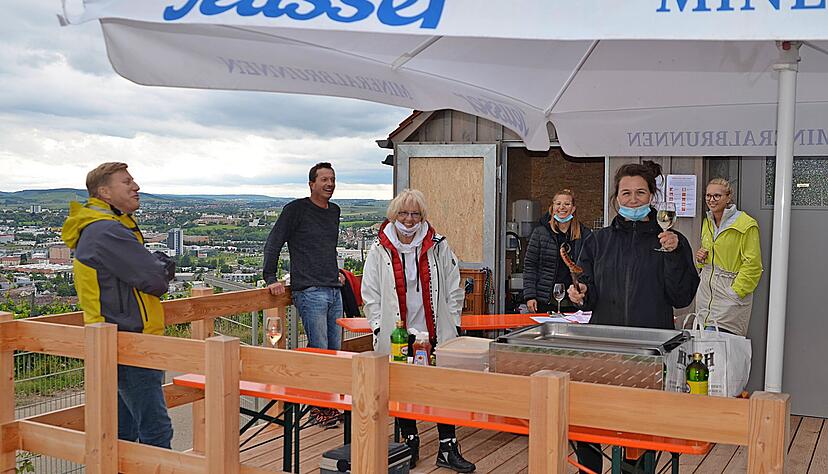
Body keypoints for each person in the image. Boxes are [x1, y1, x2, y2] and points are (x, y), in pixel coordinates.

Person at [567, 161, 700, 473]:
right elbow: (587, 289)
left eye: (640, 192)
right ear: (616, 197)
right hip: (604, 348)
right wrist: (580, 293)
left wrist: (676, 253)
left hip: (651, 350)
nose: (633, 199)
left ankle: (637, 469)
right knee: (591, 419)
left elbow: (682, 297)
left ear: (652, 196)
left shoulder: (669, 240)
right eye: (626, 193)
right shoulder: (597, 241)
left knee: (641, 427)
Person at [361, 189, 476, 473]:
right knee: (402, 387)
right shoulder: (379, 248)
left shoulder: (438, 245)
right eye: (403, 213)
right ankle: (409, 444)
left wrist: (453, 320)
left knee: (442, 386)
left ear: (422, 217)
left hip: (434, 329)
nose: (409, 219)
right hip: (397, 331)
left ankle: (448, 446)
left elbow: (453, 286)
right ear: (394, 215)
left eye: (415, 214)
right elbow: (370, 293)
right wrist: (378, 327)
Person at [62, 162, 175, 448]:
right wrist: (161, 263)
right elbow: (155, 280)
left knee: (124, 430)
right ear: (104, 192)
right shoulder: (105, 232)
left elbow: (146, 274)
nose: (136, 187)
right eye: (127, 182)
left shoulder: (103, 227)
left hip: (115, 338)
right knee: (155, 431)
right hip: (128, 341)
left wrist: (153, 265)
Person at [262, 162, 343, 427]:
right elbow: (274, 242)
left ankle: (331, 406)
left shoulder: (335, 211)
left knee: (335, 352)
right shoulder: (295, 209)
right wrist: (271, 278)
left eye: (332, 179)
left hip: (333, 289)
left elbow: (325, 248)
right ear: (311, 184)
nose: (329, 184)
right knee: (319, 351)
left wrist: (337, 273)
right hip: (310, 291)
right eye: (323, 180)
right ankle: (318, 411)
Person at [695, 178, 762, 336]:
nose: (711, 200)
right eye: (708, 196)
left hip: (728, 297)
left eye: (717, 196)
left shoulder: (746, 224)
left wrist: (735, 292)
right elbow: (709, 259)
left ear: (728, 197)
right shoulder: (708, 222)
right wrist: (700, 259)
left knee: (723, 349)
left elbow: (753, 265)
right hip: (706, 295)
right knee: (705, 349)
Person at [523, 189, 592, 314]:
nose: (562, 207)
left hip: (575, 302)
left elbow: (589, 268)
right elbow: (530, 266)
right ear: (553, 207)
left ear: (573, 208)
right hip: (545, 301)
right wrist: (530, 296)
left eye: (567, 204)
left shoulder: (585, 235)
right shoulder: (540, 233)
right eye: (558, 203)